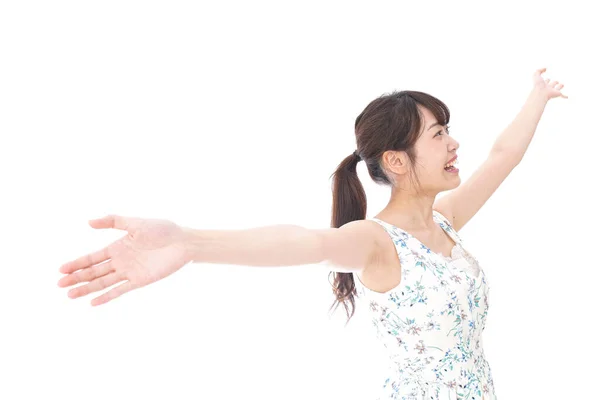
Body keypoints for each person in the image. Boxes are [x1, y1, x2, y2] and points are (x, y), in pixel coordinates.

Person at [57, 67, 566, 399]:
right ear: (396, 160)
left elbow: (503, 157)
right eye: (437, 134)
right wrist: (192, 243)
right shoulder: (374, 240)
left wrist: (539, 96)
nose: (453, 143)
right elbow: (306, 242)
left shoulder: (445, 219)